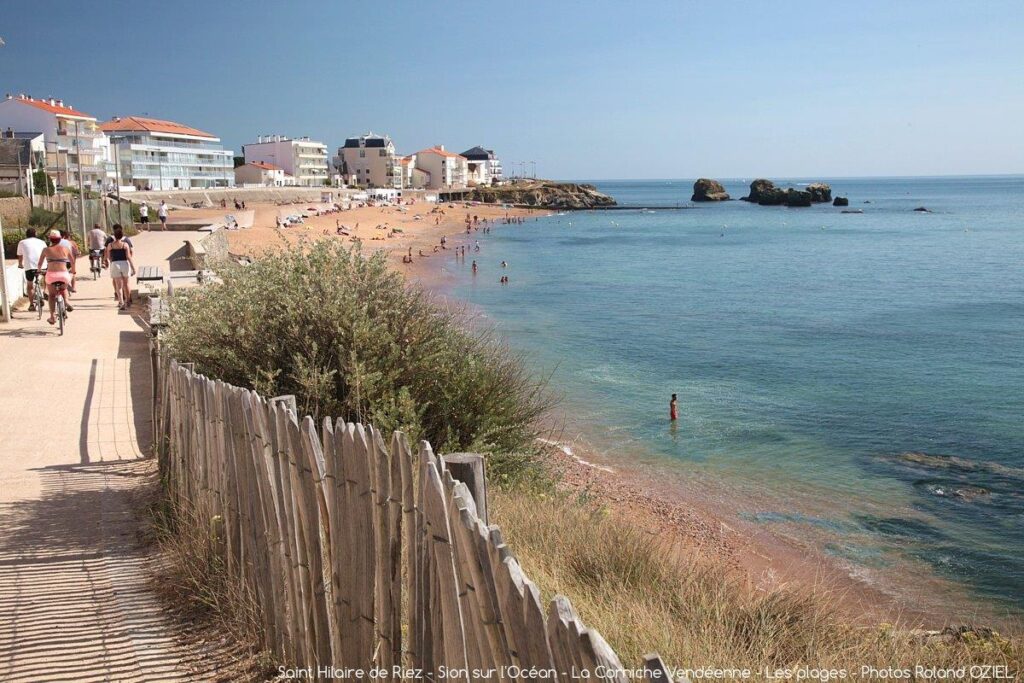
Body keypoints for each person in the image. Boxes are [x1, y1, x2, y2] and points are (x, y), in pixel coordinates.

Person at [38, 230, 75, 324]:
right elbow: (72, 261)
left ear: (50, 239)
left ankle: (52, 316)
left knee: (51, 295)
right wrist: (73, 270)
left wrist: (39, 270)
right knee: (64, 289)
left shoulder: (46, 249)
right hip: (63, 275)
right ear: (60, 239)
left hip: (51, 275)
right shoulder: (65, 249)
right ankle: (66, 301)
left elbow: (40, 263)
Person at [104, 224, 136, 310]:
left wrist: (109, 261)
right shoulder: (125, 244)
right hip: (124, 264)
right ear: (122, 235)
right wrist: (133, 268)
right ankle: (128, 301)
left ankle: (121, 302)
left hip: (115, 264)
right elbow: (129, 256)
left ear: (114, 235)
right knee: (126, 284)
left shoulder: (110, 245)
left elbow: (107, 255)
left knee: (119, 286)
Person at [16, 228, 46, 312]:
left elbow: (20, 255)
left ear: (26, 234)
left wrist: (20, 264)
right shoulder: (42, 242)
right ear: (36, 234)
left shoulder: (22, 242)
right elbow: (46, 253)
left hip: (29, 267)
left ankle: (31, 304)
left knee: (30, 285)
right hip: (43, 266)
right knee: (47, 278)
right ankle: (45, 292)